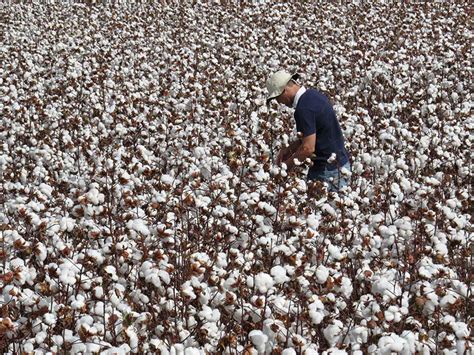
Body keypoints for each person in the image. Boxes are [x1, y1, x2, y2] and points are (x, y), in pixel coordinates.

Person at [266, 70, 350, 190]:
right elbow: (312, 135)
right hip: (340, 164)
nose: (279, 102)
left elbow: (308, 148)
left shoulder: (303, 109)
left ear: (284, 90)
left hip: (327, 171)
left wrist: (283, 169)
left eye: (278, 98)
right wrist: (288, 150)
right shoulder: (313, 95)